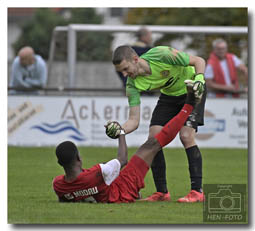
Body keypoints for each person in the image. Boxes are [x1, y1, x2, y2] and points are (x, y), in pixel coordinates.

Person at [53, 82, 202, 203]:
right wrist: (121, 133)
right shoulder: (96, 173)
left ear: (60, 163)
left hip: (114, 190)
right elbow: (123, 159)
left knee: (153, 145)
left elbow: (66, 197)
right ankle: (190, 104)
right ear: (79, 158)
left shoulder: (59, 185)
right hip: (124, 188)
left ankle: (162, 192)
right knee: (153, 145)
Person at [109, 45, 206, 203]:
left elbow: (199, 61)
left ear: (135, 59)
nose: (124, 74)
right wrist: (119, 130)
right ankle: (162, 192)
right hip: (169, 97)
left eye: (126, 69)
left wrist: (200, 80)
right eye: (121, 72)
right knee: (153, 139)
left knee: (186, 136)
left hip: (192, 91)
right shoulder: (132, 85)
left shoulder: (161, 54)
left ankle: (197, 191)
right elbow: (133, 121)